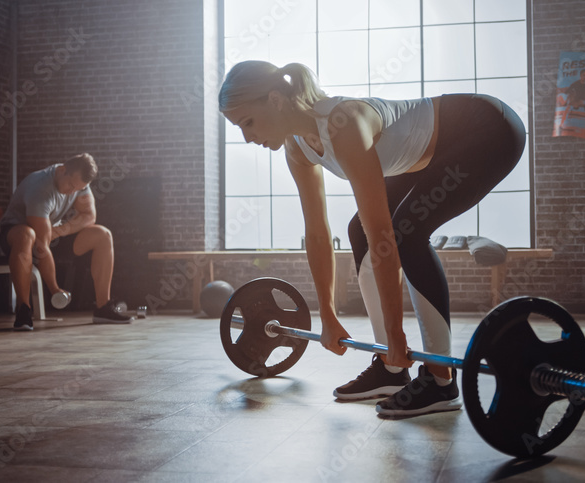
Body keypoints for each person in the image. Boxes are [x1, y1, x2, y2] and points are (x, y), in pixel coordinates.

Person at [219, 61, 526, 416]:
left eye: (248, 123)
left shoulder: (343, 123)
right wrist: (328, 316)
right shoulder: (297, 148)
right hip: (430, 154)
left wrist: (398, 334)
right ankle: (391, 369)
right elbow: (318, 233)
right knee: (358, 231)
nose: (246, 137)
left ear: (274, 100)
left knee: (405, 231)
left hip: (489, 127)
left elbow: (383, 235)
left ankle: (441, 381)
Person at [0, 153, 131, 330]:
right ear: (62, 170)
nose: (71, 192)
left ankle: (102, 308)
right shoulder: (40, 189)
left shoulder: (79, 183)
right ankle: (23, 309)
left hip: (51, 233)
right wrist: (55, 289)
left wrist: (59, 231)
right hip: (16, 235)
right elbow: (41, 248)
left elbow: (89, 216)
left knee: (103, 235)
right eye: (70, 185)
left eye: (77, 189)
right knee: (27, 235)